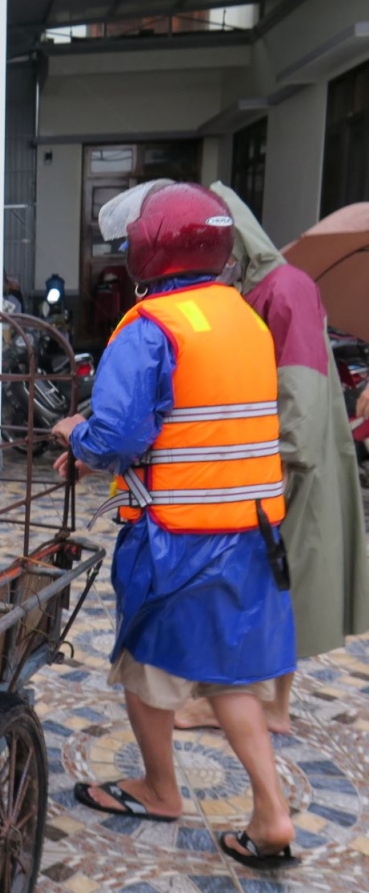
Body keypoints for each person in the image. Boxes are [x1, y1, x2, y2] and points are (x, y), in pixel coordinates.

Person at [50, 182, 297, 869]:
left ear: (144, 249)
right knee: (229, 678)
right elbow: (199, 421)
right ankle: (273, 814)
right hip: (250, 533)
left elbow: (120, 434)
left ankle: (160, 790)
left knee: (147, 675)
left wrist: (76, 435)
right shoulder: (244, 317)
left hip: (177, 541)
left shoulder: (151, 327)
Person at [170, 183, 369, 734]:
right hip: (274, 460)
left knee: (276, 584)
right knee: (282, 585)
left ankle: (247, 704)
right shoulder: (257, 292)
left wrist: (273, 472)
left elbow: (298, 393)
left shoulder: (286, 288)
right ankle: (266, 705)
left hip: (291, 464)